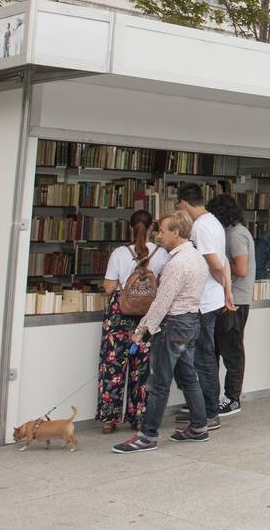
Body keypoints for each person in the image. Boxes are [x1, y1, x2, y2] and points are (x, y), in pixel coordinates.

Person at [112, 212, 210, 453]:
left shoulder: (177, 263)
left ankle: (147, 435)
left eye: (163, 231)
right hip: (190, 322)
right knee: (188, 377)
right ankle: (199, 426)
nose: (158, 235)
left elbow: (163, 301)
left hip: (173, 324)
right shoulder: (196, 257)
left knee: (158, 382)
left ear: (176, 232)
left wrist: (142, 329)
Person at [97, 210, 169, 433]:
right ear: (152, 230)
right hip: (148, 317)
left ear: (130, 228)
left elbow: (109, 287)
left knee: (113, 366)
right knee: (143, 369)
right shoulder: (162, 253)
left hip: (119, 315)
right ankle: (139, 417)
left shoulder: (119, 253)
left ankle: (109, 420)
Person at [178, 183, 232, 432]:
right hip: (212, 298)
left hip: (204, 302)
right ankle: (202, 408)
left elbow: (214, 263)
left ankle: (210, 411)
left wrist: (222, 285)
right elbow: (224, 262)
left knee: (203, 358)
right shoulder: (215, 223)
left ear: (183, 204)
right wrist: (227, 290)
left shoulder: (201, 227)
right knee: (202, 356)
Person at [208, 194, 255, 418]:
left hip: (236, 299)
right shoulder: (232, 232)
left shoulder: (235, 234)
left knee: (232, 350)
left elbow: (242, 269)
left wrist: (217, 264)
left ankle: (232, 397)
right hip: (230, 298)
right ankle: (216, 397)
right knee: (219, 348)